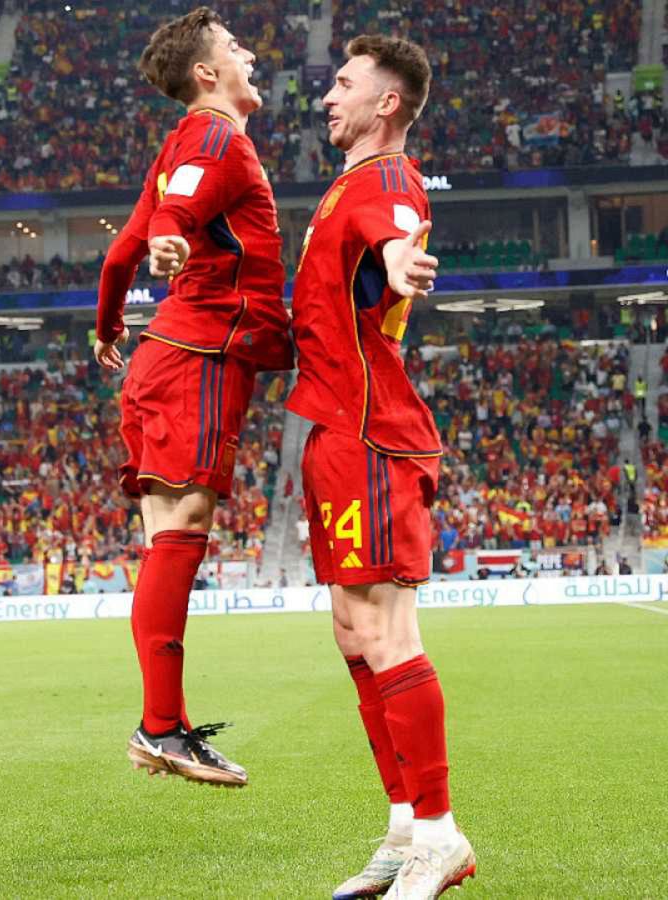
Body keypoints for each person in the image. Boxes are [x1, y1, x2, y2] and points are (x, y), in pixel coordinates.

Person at [288, 35, 475, 900]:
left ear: (387, 103)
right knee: (352, 634)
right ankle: (404, 828)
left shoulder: (386, 182)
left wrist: (404, 261)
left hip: (374, 436)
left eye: (344, 82)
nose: (329, 94)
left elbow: (398, 235)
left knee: (388, 633)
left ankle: (440, 835)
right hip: (335, 433)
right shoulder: (343, 186)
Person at [93, 6, 291, 787]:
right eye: (236, 47)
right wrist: (173, 238)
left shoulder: (181, 146)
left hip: (163, 355)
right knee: (186, 526)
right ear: (207, 73)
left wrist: (106, 329)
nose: (250, 56)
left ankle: (162, 723)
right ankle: (160, 726)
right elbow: (166, 225)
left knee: (164, 539)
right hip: (201, 352)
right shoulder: (213, 135)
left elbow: (118, 255)